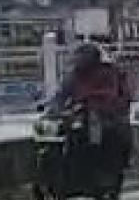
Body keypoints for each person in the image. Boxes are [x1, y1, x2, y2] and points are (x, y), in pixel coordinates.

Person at [48, 42, 133, 174]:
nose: (80, 63)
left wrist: (111, 108)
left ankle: (98, 167)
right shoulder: (74, 75)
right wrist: (55, 109)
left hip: (105, 117)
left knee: (104, 134)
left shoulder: (109, 73)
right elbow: (61, 95)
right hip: (80, 115)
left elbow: (119, 96)